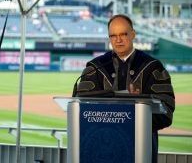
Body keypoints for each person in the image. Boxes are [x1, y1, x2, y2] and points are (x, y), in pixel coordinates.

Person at [74, 14, 175, 163]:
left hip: (140, 149)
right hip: (100, 150)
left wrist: (140, 105)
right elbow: (81, 109)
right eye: (113, 35)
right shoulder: (94, 68)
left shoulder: (152, 67)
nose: (118, 40)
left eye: (123, 34)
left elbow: (166, 112)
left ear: (133, 34)